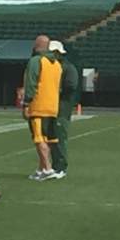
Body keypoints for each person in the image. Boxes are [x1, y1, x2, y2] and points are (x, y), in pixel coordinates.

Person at [21, 34, 63, 181]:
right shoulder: (57, 64)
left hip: (39, 106)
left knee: (39, 139)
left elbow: (31, 83)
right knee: (48, 139)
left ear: (37, 45)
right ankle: (41, 169)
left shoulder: (36, 61)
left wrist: (26, 103)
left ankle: (47, 168)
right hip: (53, 107)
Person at [47, 40, 80, 175]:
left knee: (59, 138)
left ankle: (60, 167)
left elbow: (71, 86)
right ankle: (53, 166)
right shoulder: (52, 67)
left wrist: (55, 91)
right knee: (51, 139)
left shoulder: (68, 68)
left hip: (61, 108)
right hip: (50, 107)